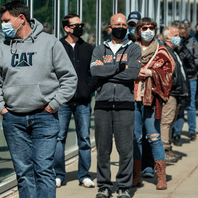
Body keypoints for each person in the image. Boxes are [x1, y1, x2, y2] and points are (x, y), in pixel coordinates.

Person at [0, 0, 78, 197]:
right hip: (14, 119)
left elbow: (69, 78)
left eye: (5, 20)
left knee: (44, 170)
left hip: (44, 117)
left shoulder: (50, 43)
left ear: (21, 19)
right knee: (23, 173)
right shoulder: (2, 48)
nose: (2, 25)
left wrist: (53, 105)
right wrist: (2, 108)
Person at [90, 13, 141, 198]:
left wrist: (108, 72)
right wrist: (120, 67)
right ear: (109, 28)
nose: (121, 27)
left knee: (125, 148)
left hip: (124, 104)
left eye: (124, 24)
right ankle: (104, 185)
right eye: (117, 24)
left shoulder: (134, 49)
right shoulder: (99, 49)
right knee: (103, 149)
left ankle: (123, 186)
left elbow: (132, 74)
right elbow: (95, 70)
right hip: (102, 104)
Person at [53, 14, 98, 188]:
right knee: (59, 138)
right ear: (66, 28)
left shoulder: (88, 48)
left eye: (81, 24)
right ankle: (58, 174)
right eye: (76, 25)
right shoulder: (56, 47)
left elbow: (94, 73)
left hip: (83, 102)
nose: (80, 27)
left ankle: (84, 175)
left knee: (85, 138)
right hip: (62, 102)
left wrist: (86, 89)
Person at [132, 17, 173, 190]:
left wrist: (149, 72)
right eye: (144, 27)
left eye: (151, 28)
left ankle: (161, 176)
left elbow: (168, 71)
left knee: (154, 137)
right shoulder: (131, 49)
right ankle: (135, 175)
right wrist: (135, 72)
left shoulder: (161, 50)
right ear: (139, 30)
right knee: (135, 138)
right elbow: (122, 67)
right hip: (132, 99)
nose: (148, 30)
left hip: (151, 100)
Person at [161, 26, 189, 160]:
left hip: (177, 92)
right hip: (170, 92)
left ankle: (168, 146)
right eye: (176, 35)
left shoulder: (174, 51)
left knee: (171, 120)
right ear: (168, 37)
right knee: (166, 120)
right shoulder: (165, 51)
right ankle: (164, 149)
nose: (179, 37)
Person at [171, 23, 197, 146]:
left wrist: (182, 72)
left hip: (186, 83)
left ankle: (178, 133)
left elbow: (194, 66)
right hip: (172, 84)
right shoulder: (167, 50)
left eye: (180, 35)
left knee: (182, 108)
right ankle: (170, 133)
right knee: (171, 109)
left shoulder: (186, 51)